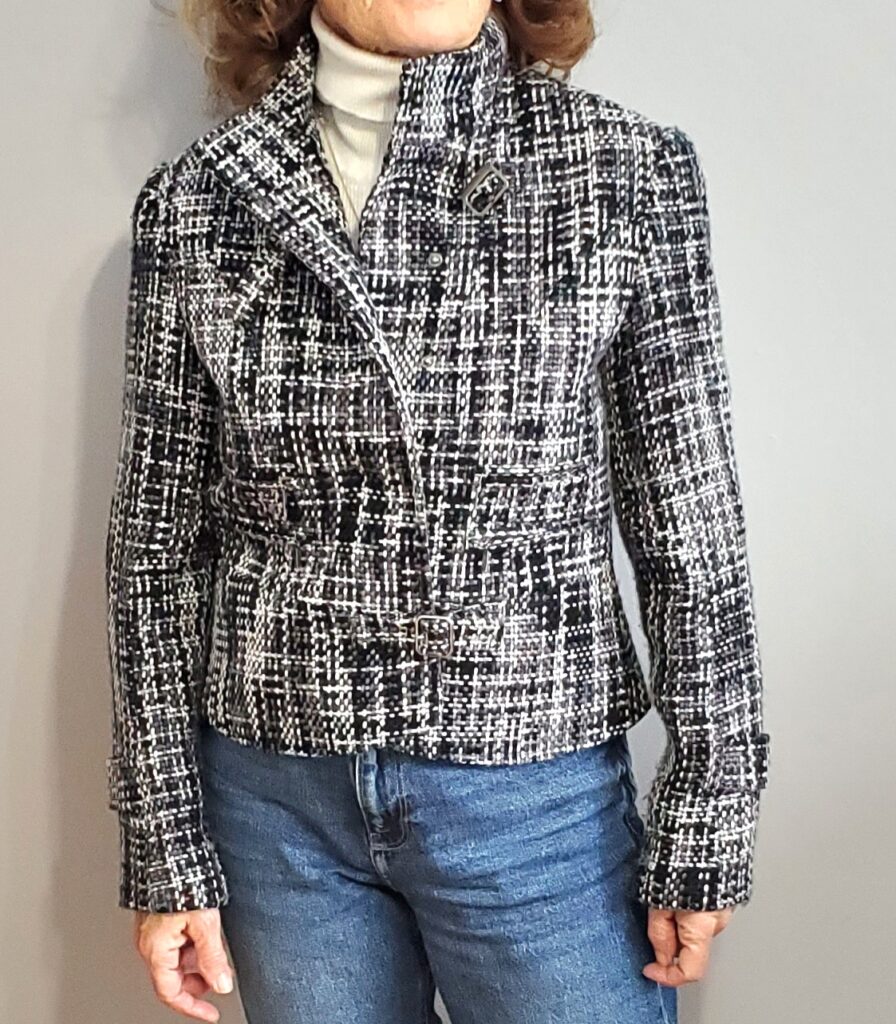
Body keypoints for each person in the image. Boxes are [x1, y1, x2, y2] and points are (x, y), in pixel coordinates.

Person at [103, 1, 771, 1021]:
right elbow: (156, 545)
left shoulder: (621, 172)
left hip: (534, 800)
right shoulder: (200, 197)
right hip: (277, 809)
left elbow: (690, 521)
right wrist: (164, 840)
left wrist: (709, 810)